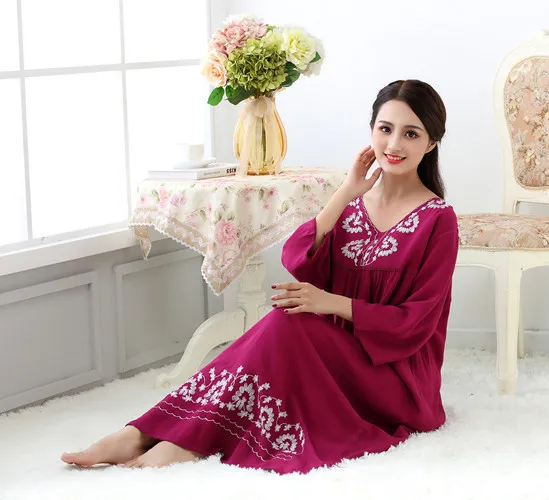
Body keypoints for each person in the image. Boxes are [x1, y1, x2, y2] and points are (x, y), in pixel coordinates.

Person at [61, 79, 459, 473]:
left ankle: (174, 439)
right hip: (334, 359)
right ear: (371, 131)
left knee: (288, 324)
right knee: (284, 323)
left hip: (398, 381)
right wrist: (345, 192)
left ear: (431, 143)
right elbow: (297, 258)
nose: (394, 144)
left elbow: (416, 322)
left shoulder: (438, 220)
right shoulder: (351, 205)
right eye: (385, 129)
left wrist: (330, 303)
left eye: (411, 134)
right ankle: (144, 432)